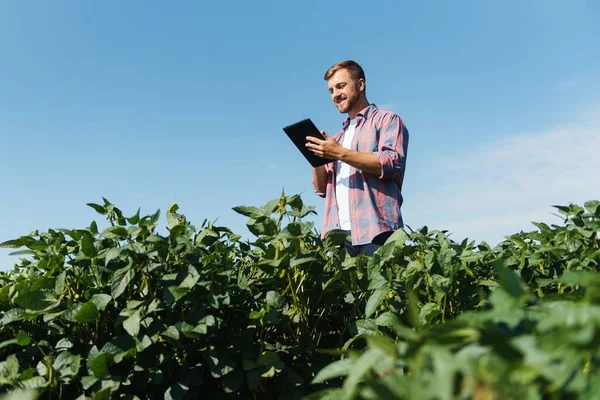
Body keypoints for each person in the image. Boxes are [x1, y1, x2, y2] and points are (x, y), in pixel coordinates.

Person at [306, 60, 409, 257]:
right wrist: (315, 157)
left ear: (361, 85)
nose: (335, 94)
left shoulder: (387, 120)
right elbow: (320, 189)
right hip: (339, 239)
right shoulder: (338, 138)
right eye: (331, 90)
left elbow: (391, 163)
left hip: (378, 232)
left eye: (341, 86)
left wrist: (338, 153)